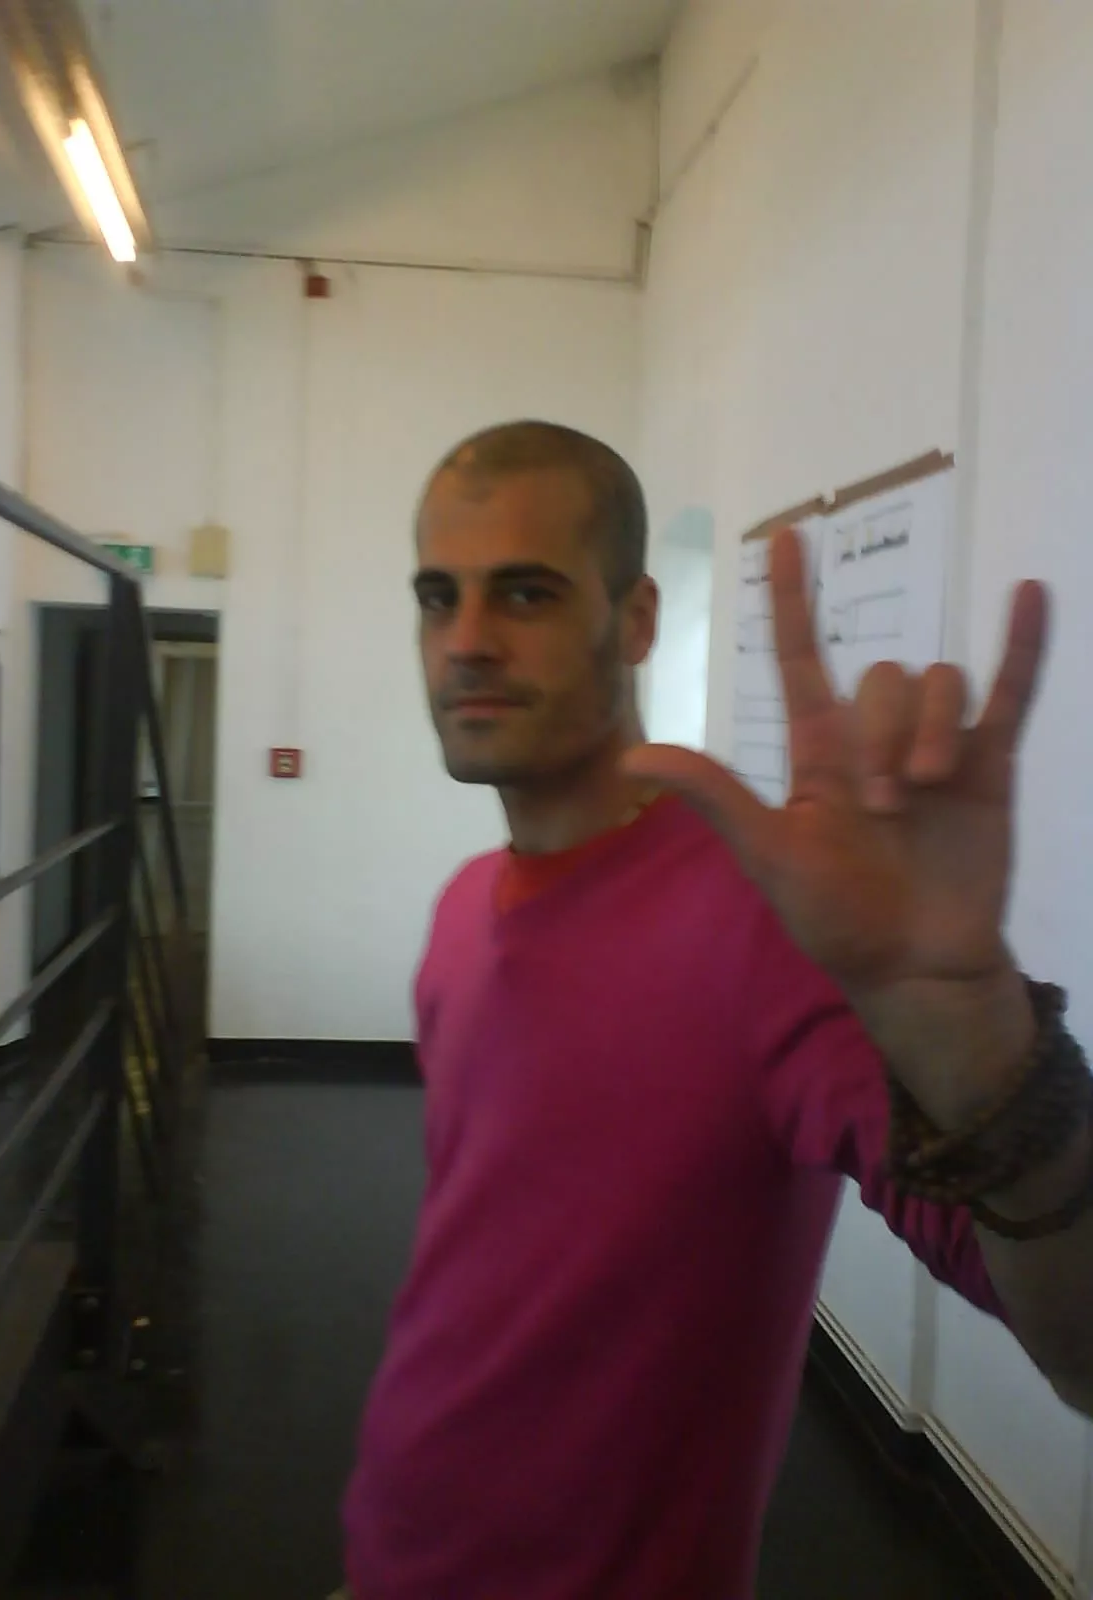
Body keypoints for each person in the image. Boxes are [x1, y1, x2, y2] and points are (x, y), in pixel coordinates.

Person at [339, 421, 1093, 1599]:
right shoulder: (461, 911)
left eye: (526, 592)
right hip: (390, 1553)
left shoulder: (772, 932)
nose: (468, 639)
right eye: (441, 596)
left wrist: (979, 1032)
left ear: (636, 619)